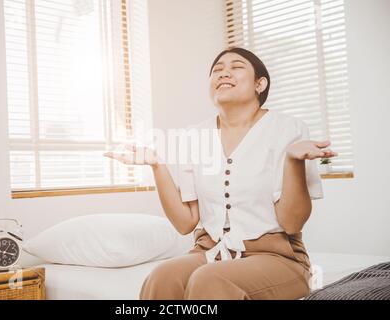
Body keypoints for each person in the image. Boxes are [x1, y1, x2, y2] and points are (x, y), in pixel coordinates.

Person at [103, 47, 337, 300]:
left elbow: (292, 223)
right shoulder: (194, 137)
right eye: (217, 69)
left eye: (236, 67)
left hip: (278, 257)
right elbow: (185, 223)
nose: (224, 72)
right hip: (211, 249)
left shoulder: (288, 129)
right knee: (162, 276)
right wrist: (157, 165)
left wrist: (293, 160)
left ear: (260, 83)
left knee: (209, 280)